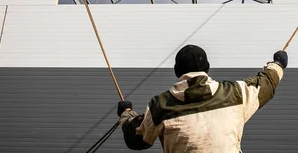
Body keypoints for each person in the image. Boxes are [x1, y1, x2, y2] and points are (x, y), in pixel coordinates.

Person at [117, 44, 288, 152]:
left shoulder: (160, 106)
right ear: (207, 68)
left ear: (177, 71)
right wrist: (278, 63)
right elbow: (266, 83)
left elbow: (137, 139)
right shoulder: (236, 93)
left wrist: (126, 114)